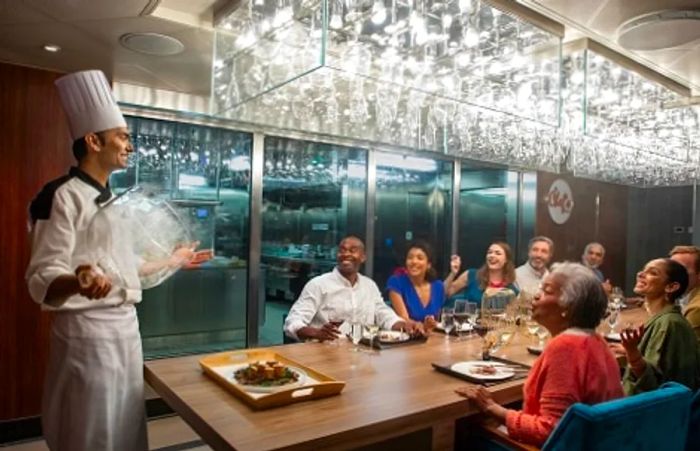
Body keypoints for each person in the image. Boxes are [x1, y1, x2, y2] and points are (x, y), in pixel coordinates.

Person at [25, 70, 195, 451]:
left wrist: (174, 259)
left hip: (125, 329)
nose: (128, 145)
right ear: (92, 140)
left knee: (126, 422)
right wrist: (79, 278)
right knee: (90, 423)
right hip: (87, 331)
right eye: (123, 137)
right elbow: (41, 277)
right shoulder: (61, 197)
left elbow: (124, 269)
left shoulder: (115, 202)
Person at [456, 262, 623, 447]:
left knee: (465, 430)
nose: (536, 295)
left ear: (568, 307)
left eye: (547, 291)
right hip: (599, 442)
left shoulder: (566, 348)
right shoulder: (598, 341)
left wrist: (491, 407)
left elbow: (551, 431)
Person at [284, 236, 424, 341]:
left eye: (352, 250)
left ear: (363, 257)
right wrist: (317, 333)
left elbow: (383, 314)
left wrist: (403, 325)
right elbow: (292, 323)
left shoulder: (369, 286)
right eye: (342, 250)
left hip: (363, 356)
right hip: (325, 355)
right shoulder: (318, 285)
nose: (346, 254)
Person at [619, 258, 700, 394]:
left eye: (653, 273)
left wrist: (632, 352)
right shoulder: (665, 319)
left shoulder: (670, 324)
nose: (640, 274)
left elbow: (653, 385)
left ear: (671, 287)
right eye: (643, 270)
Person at [386, 241, 445, 327]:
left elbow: (437, 319)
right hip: (406, 336)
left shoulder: (438, 286)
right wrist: (423, 326)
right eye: (410, 258)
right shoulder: (396, 282)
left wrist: (432, 323)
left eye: (420, 258)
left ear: (428, 264)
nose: (414, 262)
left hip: (431, 336)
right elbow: (404, 319)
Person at [445, 241, 519, 307]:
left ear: (506, 260)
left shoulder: (511, 289)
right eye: (489, 252)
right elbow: (446, 293)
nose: (492, 255)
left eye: (498, 253)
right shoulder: (472, 275)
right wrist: (453, 273)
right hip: (468, 321)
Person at [669, 245, 700, 342]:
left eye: (680, 270)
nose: (671, 275)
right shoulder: (684, 295)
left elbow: (682, 349)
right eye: (670, 268)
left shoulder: (696, 309)